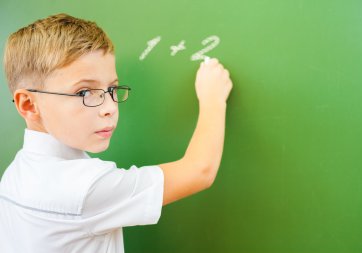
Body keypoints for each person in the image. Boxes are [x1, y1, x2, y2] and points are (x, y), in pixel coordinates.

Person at [0, 13, 233, 253]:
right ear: (28, 104)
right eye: (83, 92)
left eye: (111, 88)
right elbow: (200, 171)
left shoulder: (15, 175)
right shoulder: (85, 188)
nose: (110, 107)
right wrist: (213, 99)